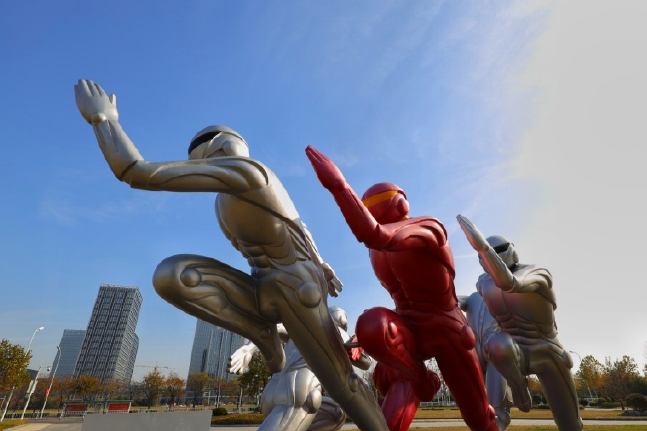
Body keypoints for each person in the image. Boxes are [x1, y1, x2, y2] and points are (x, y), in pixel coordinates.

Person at [74, 79, 389, 431]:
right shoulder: (221, 203)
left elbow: (135, 171)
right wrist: (321, 261)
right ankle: (262, 333)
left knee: (341, 383)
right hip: (261, 288)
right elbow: (295, 224)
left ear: (222, 146)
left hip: (297, 290)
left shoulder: (251, 173)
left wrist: (103, 119)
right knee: (173, 275)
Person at [306, 146, 498, 431]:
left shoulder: (428, 229)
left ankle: (422, 381)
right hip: (409, 333)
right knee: (372, 324)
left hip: (447, 329)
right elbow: (379, 246)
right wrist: (365, 337)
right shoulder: (376, 251)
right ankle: (420, 379)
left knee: (479, 418)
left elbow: (373, 233)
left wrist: (339, 186)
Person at [456, 215, 583, 431]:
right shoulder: (483, 284)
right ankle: (519, 390)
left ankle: (523, 393)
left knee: (570, 425)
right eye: (484, 254)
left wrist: (483, 248)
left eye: (499, 250)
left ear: (512, 249)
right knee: (496, 343)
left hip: (546, 351)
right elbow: (473, 300)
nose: (492, 254)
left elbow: (510, 283)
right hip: (512, 353)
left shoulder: (537, 274)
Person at [229, 307, 371, 431]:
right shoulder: (336, 332)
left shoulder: (300, 327)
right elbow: (365, 363)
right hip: (298, 391)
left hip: (271, 392)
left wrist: (248, 349)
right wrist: (363, 341)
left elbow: (270, 329)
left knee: (336, 414)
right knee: (313, 401)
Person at [458, 292, 512, 431]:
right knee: (474, 396)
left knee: (497, 390)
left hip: (494, 350)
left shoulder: (504, 295)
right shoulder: (472, 298)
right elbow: (454, 301)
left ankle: (500, 419)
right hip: (474, 351)